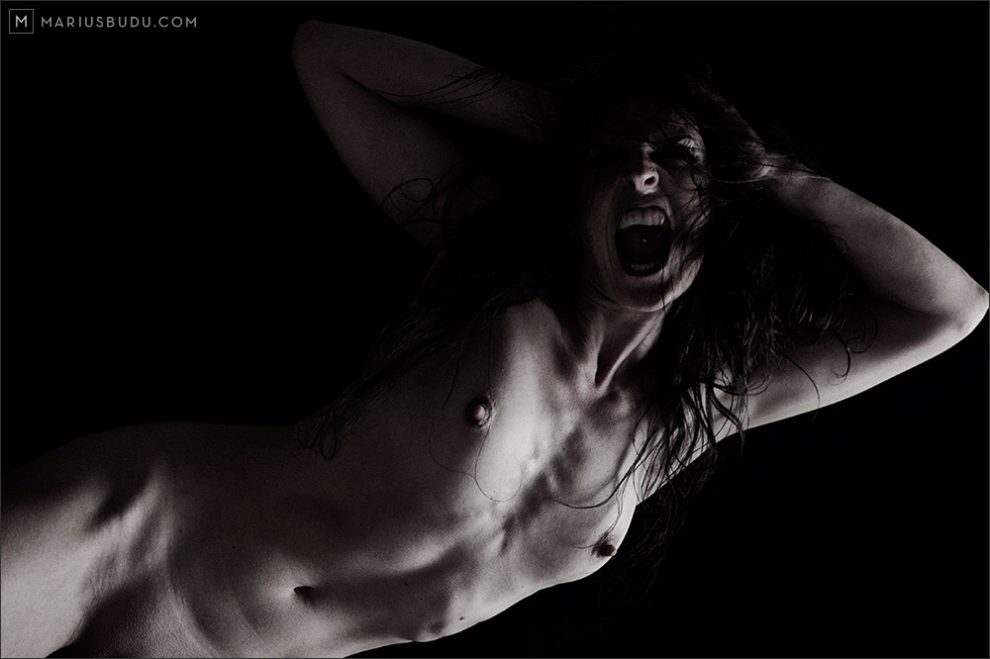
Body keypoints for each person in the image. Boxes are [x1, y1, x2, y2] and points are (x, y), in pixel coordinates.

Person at [1, 19, 986, 658]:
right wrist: (559, 124)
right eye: (616, 161)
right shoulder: (494, 279)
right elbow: (325, 54)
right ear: (578, 193)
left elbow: (952, 309)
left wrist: (768, 172)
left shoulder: (690, 414)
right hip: (129, 540)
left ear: (712, 205)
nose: (641, 175)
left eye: (672, 160)